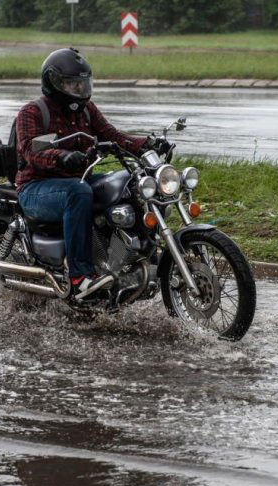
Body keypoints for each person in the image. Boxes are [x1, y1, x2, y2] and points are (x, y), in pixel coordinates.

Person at [14, 48, 170, 300]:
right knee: (78, 192)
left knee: (130, 183)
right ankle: (80, 277)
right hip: (36, 187)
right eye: (71, 84)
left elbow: (114, 136)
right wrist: (61, 156)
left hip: (80, 179)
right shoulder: (32, 112)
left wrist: (147, 144)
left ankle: (141, 255)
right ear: (54, 83)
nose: (78, 89)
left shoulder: (86, 110)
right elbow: (30, 149)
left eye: (82, 83)